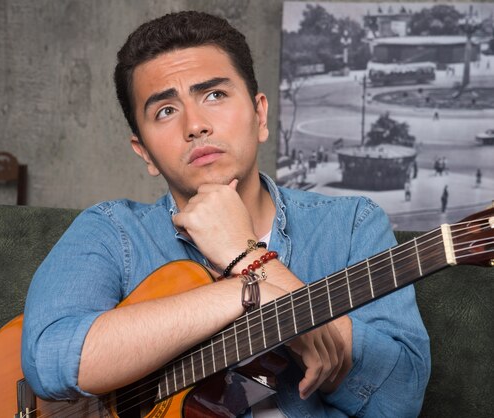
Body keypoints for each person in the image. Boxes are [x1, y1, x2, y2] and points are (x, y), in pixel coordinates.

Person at [22, 11, 430, 417]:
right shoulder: (113, 231)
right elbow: (50, 360)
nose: (195, 125)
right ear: (144, 151)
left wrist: (245, 254)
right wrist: (247, 292)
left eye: (214, 95)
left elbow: (399, 401)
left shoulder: (352, 223)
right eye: (165, 110)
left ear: (260, 116)